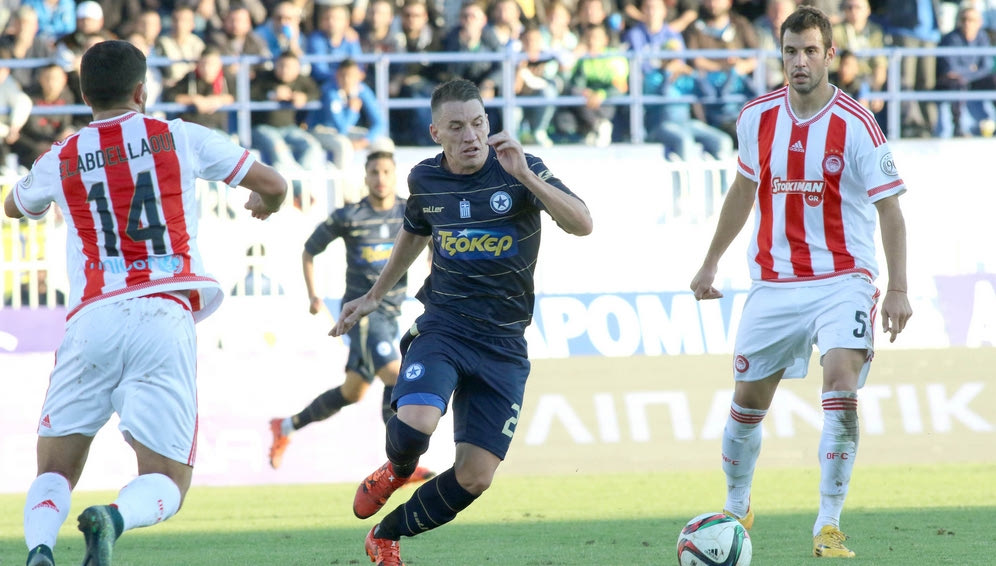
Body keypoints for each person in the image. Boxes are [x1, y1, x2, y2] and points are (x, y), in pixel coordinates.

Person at [5, 40, 287, 566]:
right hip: (163, 311)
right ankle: (113, 519)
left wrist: (48, 197)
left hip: (93, 316)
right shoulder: (180, 136)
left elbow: (13, 205)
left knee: (55, 468)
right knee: (167, 479)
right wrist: (265, 203)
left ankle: (41, 549)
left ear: (84, 96)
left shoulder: (62, 155)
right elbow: (274, 183)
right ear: (141, 91)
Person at [329, 78, 592, 566]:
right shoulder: (425, 180)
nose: (470, 135)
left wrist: (526, 176)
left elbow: (582, 223)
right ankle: (398, 468)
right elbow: (414, 233)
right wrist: (372, 296)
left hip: (505, 343)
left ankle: (385, 535)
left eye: (477, 123)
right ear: (436, 133)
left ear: (488, 123)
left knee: (475, 476)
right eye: (456, 127)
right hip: (446, 326)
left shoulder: (521, 167)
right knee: (415, 427)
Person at [689, 6, 912, 559]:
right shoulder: (756, 117)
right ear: (781, 55)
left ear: (830, 54)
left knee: (841, 386)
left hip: (843, 278)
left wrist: (899, 288)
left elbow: (891, 210)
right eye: (791, 51)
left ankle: (828, 525)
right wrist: (711, 261)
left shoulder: (857, 124)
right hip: (775, 281)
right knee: (747, 404)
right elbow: (743, 191)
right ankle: (737, 507)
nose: (800, 61)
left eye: (811, 50)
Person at [268, 151, 432, 487]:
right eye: (374, 172)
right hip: (362, 314)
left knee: (353, 391)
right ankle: (401, 465)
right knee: (396, 377)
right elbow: (309, 250)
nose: (380, 178)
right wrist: (313, 295)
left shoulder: (410, 212)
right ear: (365, 177)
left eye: (386, 171)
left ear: (395, 175)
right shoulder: (350, 216)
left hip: (392, 313)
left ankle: (285, 426)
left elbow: (433, 240)